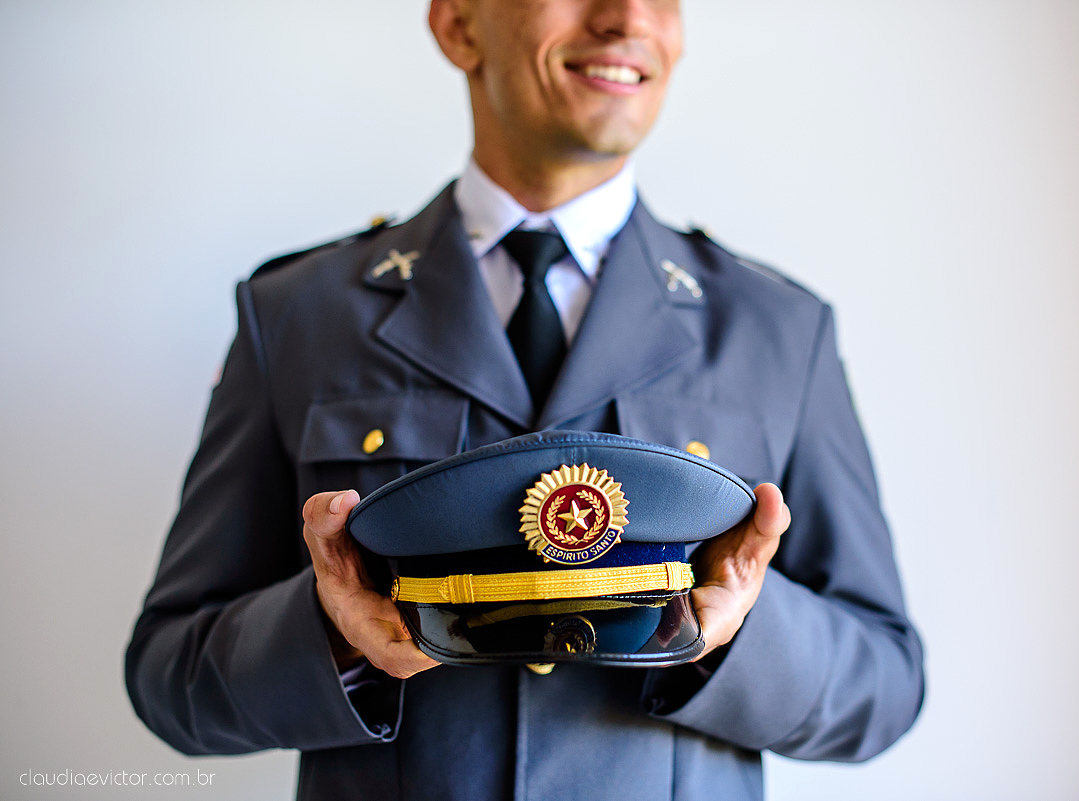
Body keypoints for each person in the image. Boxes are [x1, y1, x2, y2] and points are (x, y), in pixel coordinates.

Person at [125, 1, 924, 799]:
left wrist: (735, 629)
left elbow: (886, 683)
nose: (628, 18)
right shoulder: (300, 311)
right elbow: (171, 676)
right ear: (460, 26)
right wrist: (330, 633)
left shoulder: (778, 327)